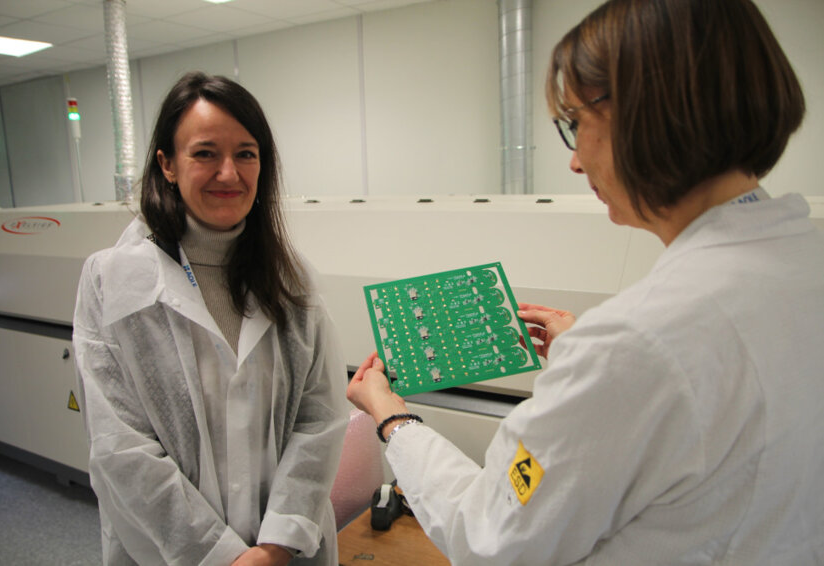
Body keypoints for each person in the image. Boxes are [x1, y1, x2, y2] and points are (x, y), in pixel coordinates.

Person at [347, 0, 824, 564]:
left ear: (647, 112)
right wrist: (588, 361)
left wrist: (392, 418)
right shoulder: (803, 261)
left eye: (575, 123)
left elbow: (489, 540)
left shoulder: (635, 344)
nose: (574, 163)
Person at [73, 71, 348, 566]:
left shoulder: (293, 281)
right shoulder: (111, 282)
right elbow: (121, 446)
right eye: (205, 153)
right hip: (169, 551)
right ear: (168, 165)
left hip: (283, 551)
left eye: (246, 153)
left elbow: (320, 420)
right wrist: (220, 556)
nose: (229, 173)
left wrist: (274, 545)